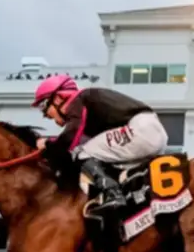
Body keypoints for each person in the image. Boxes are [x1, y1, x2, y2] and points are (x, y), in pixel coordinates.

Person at [31, 75, 169, 216]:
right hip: (154, 131)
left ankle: (113, 193)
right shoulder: (88, 104)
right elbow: (76, 140)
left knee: (83, 153)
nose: (45, 115)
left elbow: (70, 138)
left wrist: (48, 144)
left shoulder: (77, 101)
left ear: (58, 98)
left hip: (140, 129)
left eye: (43, 106)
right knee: (97, 156)